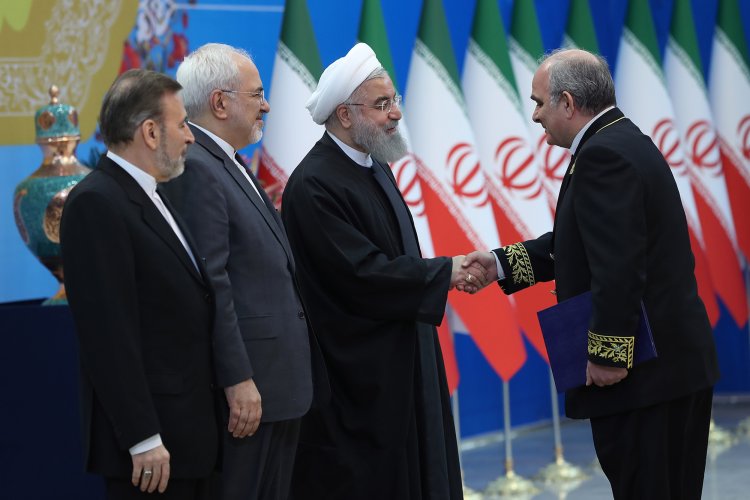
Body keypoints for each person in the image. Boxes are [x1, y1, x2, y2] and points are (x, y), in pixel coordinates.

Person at [462, 49, 720, 499]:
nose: (535, 115)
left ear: (567, 102)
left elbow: (619, 267)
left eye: (539, 102)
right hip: (670, 370)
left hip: (647, 380)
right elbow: (582, 243)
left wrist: (608, 354)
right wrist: (501, 263)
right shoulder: (619, 139)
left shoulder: (603, 156)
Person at [281, 42, 482, 500]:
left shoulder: (374, 166)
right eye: (382, 104)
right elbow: (361, 275)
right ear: (345, 115)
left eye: (395, 100)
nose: (395, 113)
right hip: (359, 383)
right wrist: (445, 272)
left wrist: (440, 273)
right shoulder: (314, 185)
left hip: (403, 359)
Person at [159, 43, 327, 500]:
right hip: (248, 393)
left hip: (276, 386)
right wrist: (237, 378)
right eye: (256, 94)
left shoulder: (228, 162)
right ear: (220, 102)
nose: (266, 105)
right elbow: (213, 283)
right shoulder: (197, 167)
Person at [60, 69, 218, 499]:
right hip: (152, 452)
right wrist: (143, 437)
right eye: (182, 124)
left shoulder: (154, 193)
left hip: (189, 438)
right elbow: (107, 335)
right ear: (150, 132)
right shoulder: (96, 203)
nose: (191, 136)